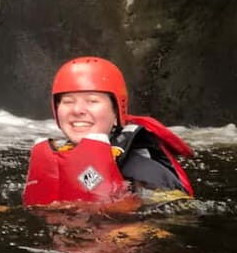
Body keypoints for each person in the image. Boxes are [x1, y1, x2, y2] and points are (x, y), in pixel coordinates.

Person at [22, 56, 194, 206]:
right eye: (67, 101)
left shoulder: (144, 171)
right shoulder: (57, 160)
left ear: (116, 112)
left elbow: (175, 219)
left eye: (92, 101)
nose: (77, 110)